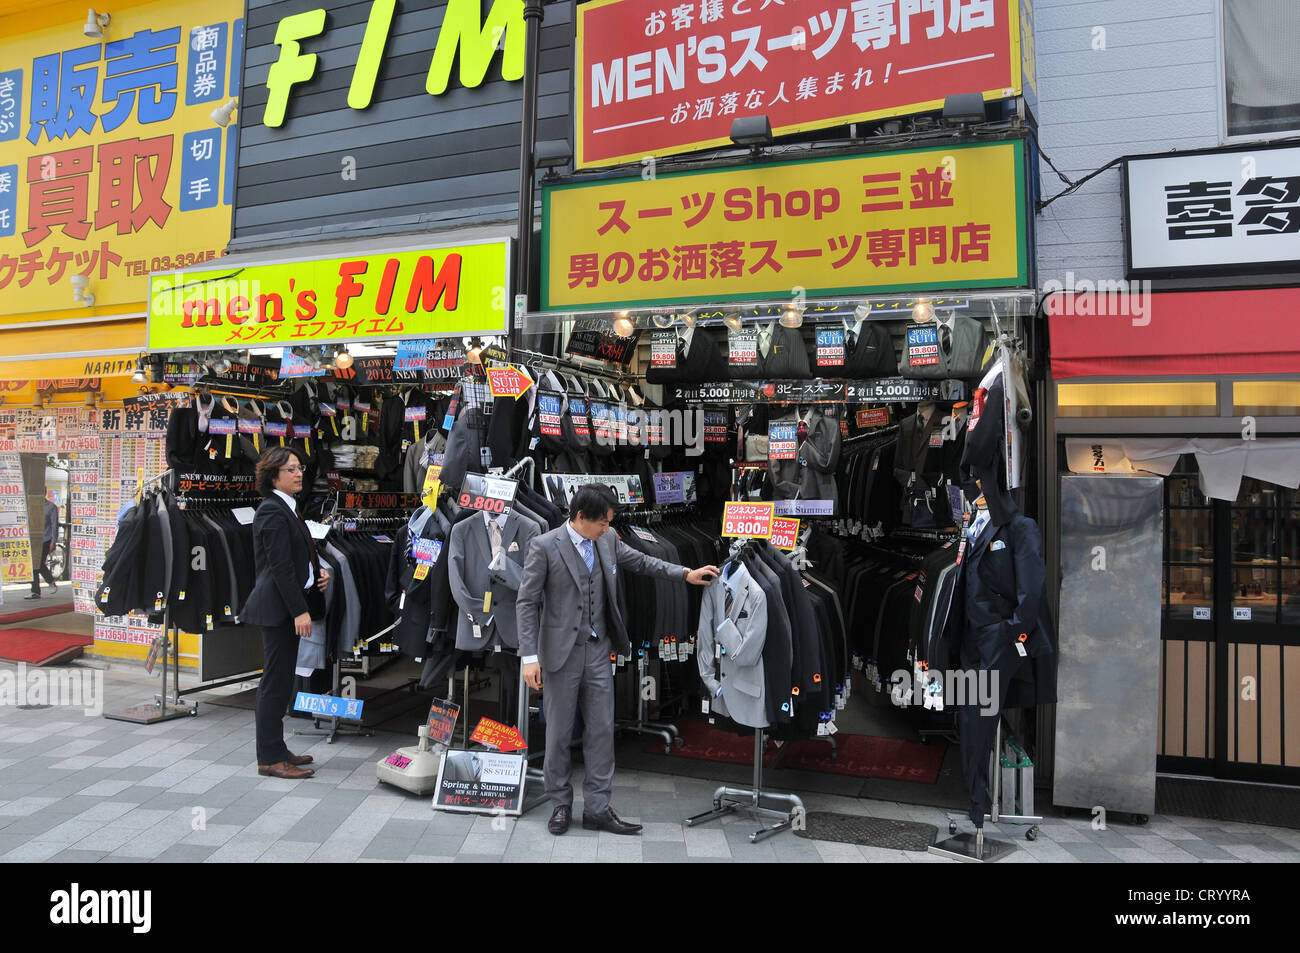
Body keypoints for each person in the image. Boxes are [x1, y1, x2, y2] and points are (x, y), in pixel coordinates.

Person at [517, 485, 719, 836]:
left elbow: (642, 561)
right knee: (559, 733)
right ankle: (560, 804)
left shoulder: (608, 541)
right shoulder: (545, 546)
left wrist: (685, 574)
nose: (607, 529)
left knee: (601, 730)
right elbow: (526, 602)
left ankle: (597, 808)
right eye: (603, 523)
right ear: (580, 518)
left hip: (597, 650)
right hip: (559, 655)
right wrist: (529, 657)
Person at [240, 446, 331, 780]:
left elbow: (295, 557)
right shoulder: (271, 511)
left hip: (288, 606)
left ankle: (278, 748)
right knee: (274, 684)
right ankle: (269, 757)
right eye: (291, 469)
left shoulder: (289, 508)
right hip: (277, 610)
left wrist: (316, 574)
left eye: (299, 467)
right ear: (273, 476)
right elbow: (278, 567)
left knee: (281, 681)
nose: (298, 473)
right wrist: (299, 611)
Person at [25, 492, 60, 600]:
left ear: (43, 492)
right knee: (33, 565)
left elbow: (54, 525)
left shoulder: (51, 507)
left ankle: (50, 581)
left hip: (45, 539)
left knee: (38, 563)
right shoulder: (29, 506)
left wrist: (53, 541)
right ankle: (35, 591)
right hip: (31, 540)